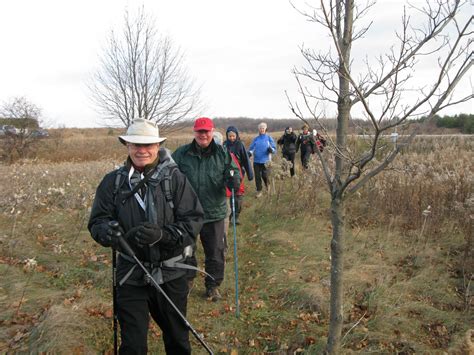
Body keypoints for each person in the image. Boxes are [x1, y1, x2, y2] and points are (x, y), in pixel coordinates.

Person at [88, 118, 204, 354]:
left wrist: (162, 235)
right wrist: (108, 232)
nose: (142, 150)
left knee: (177, 341)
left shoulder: (175, 179)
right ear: (127, 146)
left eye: (148, 145)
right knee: (133, 346)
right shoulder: (113, 182)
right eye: (135, 145)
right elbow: (97, 222)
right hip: (131, 274)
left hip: (171, 273)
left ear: (158, 146)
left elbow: (193, 221)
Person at [172, 117, 240, 302]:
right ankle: (186, 281)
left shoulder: (222, 154)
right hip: (187, 213)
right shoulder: (181, 154)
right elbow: (168, 173)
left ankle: (213, 285)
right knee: (185, 249)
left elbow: (233, 173)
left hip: (214, 212)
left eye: (206, 131)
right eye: (200, 131)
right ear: (194, 132)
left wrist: (233, 179)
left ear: (212, 132)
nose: (203, 135)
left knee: (216, 252)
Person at [224, 126, 254, 224]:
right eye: (230, 136)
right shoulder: (224, 145)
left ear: (236, 135)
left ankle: (235, 216)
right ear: (227, 136)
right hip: (227, 173)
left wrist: (250, 174)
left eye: (233, 136)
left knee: (238, 194)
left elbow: (246, 159)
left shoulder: (240, 145)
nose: (232, 138)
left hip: (239, 173)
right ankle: (228, 215)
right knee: (228, 194)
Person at [248, 122, 276, 198]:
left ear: (265, 129)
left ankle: (268, 187)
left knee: (265, 175)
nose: (261, 129)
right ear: (259, 129)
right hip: (256, 161)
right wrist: (249, 153)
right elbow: (251, 148)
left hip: (266, 161)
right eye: (260, 128)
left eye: (263, 128)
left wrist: (271, 150)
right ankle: (259, 191)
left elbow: (274, 148)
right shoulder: (256, 139)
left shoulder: (268, 138)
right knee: (257, 177)